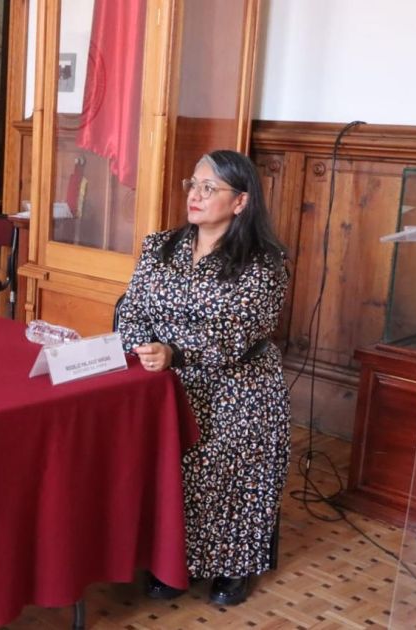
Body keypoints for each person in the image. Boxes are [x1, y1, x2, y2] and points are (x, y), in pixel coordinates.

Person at [117, 150, 291, 606]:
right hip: (162, 380)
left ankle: (234, 565)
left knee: (225, 459)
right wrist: (144, 348)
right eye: (192, 184)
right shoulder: (160, 246)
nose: (195, 195)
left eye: (209, 188)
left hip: (239, 384)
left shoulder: (264, 262)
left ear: (240, 201)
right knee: (162, 467)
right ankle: (173, 562)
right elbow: (130, 309)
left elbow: (237, 332)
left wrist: (174, 352)